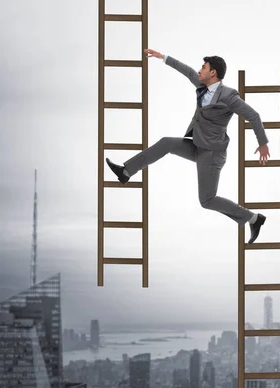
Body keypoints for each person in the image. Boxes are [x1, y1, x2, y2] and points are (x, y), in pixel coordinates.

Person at [106, 48, 270, 244]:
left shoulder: (229, 96)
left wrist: (263, 144)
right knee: (167, 142)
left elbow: (253, 116)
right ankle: (126, 171)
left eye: (204, 67)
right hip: (197, 144)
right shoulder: (202, 86)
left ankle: (253, 218)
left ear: (213, 73)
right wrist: (163, 57)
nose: (199, 70)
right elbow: (186, 70)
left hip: (212, 155)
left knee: (207, 200)